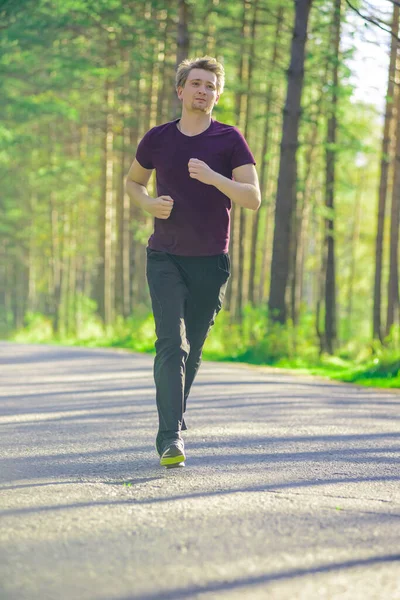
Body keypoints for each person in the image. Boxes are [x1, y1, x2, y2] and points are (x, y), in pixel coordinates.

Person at [125, 56, 260, 468]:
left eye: (210, 86)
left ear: (217, 95)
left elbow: (253, 198)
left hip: (210, 261)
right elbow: (133, 181)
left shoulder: (229, 139)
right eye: (196, 83)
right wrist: (148, 202)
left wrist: (215, 178)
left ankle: (174, 421)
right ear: (180, 90)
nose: (203, 90)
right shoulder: (158, 138)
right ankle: (170, 438)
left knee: (194, 349)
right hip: (164, 255)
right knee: (172, 343)